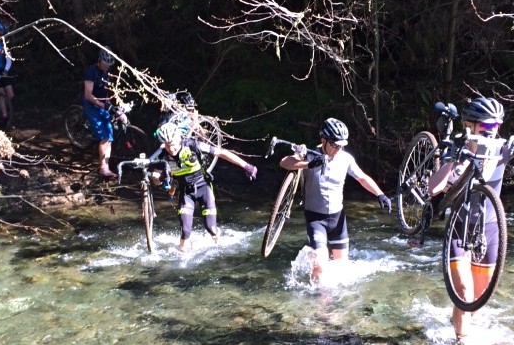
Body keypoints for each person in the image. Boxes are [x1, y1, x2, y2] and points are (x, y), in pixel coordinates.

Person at [427, 97, 514, 339]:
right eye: (486, 127)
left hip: (489, 227)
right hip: (460, 227)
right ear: (470, 126)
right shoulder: (459, 148)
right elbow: (433, 188)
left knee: (479, 295)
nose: (491, 132)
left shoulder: (502, 147)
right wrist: (454, 160)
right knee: (464, 292)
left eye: (495, 127)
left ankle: (459, 321)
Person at [279, 118, 392, 281]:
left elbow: (362, 178)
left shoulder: (345, 158)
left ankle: (337, 305)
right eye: (335, 145)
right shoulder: (309, 154)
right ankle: (319, 303)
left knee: (341, 271)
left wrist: (380, 194)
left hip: (338, 219)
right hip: (315, 219)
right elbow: (285, 162)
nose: (338, 149)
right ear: (323, 141)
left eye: (341, 145)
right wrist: (307, 164)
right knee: (319, 264)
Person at [152, 121, 258, 251]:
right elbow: (156, 178)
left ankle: (217, 241)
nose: (171, 149)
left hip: (203, 188)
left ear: (179, 138)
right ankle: (184, 262)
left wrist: (246, 166)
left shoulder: (192, 145)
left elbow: (221, 153)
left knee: (210, 228)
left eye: (172, 144)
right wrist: (159, 180)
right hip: (186, 193)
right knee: (185, 231)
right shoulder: (162, 154)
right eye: (167, 145)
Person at [82, 47, 118, 178]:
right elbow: (88, 95)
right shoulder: (91, 72)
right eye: (104, 65)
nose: (106, 67)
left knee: (109, 135)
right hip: (92, 105)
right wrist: (101, 105)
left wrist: (112, 104)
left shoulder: (107, 72)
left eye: (109, 65)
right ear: (99, 61)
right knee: (105, 138)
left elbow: (107, 91)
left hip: (103, 104)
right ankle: (103, 168)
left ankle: (106, 164)